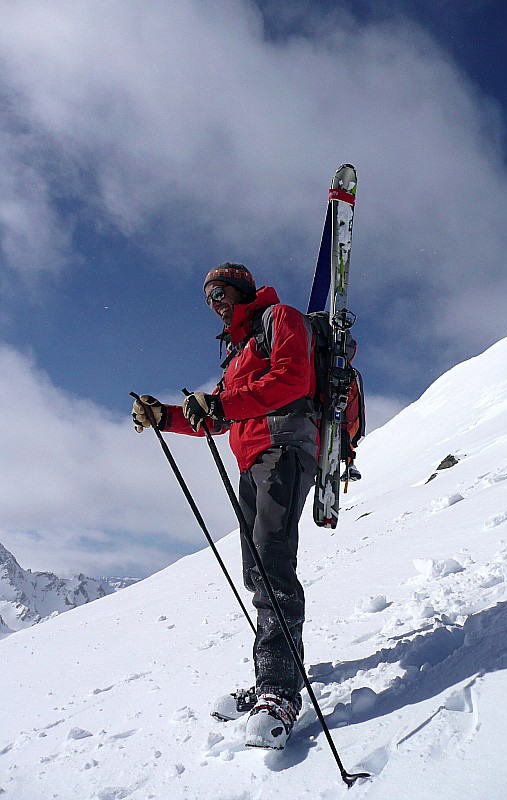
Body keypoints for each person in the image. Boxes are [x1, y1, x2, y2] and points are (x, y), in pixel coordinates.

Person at [132, 262, 318, 749]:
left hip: (284, 449)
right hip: (252, 458)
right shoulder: (238, 353)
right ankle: (271, 676)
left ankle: (280, 692)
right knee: (257, 571)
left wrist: (223, 406)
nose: (215, 302)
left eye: (221, 292)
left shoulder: (281, 319)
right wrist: (165, 415)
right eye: (208, 296)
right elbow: (215, 414)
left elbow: (294, 379)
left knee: (273, 564)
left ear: (242, 291)